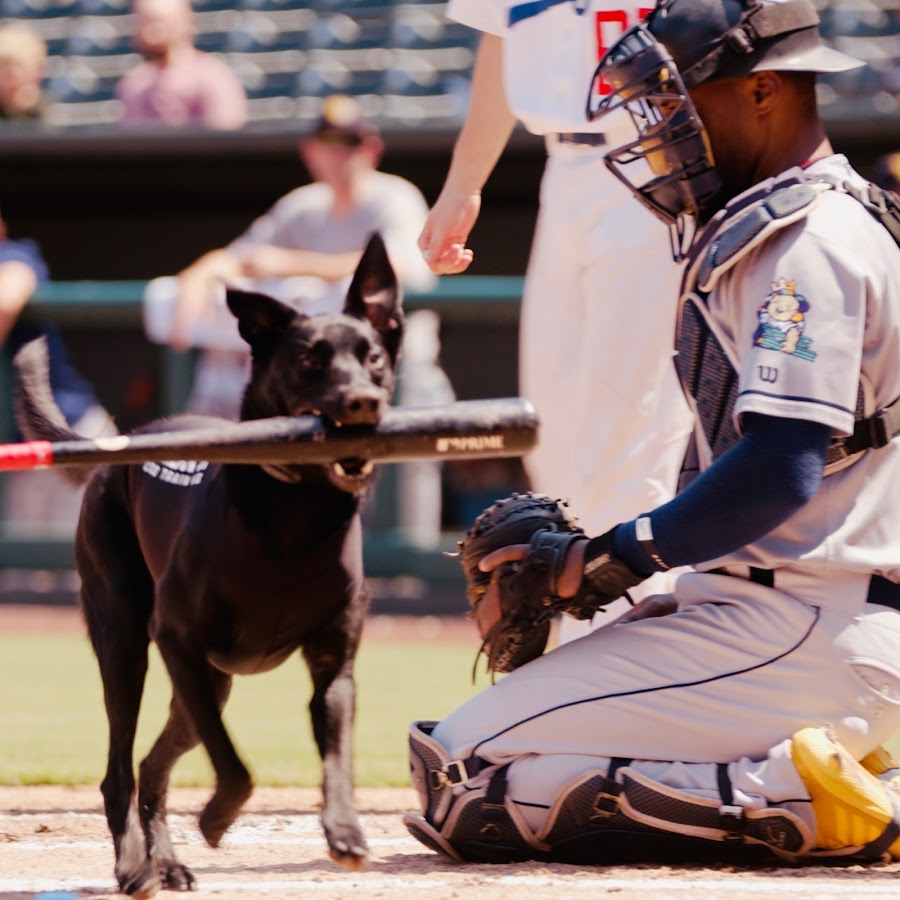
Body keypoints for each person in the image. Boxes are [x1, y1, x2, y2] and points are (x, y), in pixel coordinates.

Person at [404, 0, 900, 866]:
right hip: (774, 605)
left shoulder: (806, 242)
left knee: (467, 773)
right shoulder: (797, 217)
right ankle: (817, 761)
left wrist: (613, 555)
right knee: (481, 754)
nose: (664, 132)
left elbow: (782, 467)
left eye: (680, 104)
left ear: (762, 92)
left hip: (813, 620)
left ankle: (799, 795)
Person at [418, 0, 695, 642]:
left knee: (632, 431)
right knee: (552, 429)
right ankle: (579, 637)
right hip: (565, 166)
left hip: (660, 158)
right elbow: (501, 37)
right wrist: (464, 186)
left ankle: (633, 646)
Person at [143, 94, 437, 418]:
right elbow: (239, 256)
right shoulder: (304, 204)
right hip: (328, 381)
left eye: (351, 141)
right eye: (329, 141)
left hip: (394, 370)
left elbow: (398, 267)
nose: (340, 153)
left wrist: (293, 263)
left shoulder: (394, 196)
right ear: (310, 151)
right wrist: (199, 275)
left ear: (372, 149)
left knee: (412, 462)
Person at [0, 213, 116, 534]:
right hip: (17, 457)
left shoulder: (13, 255)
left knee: (80, 572)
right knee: (20, 578)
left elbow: (7, 295)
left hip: (66, 435)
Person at [116, 0, 247, 130]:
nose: (149, 34)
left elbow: (226, 142)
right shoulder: (134, 85)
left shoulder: (214, 78)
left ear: (185, 22)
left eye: (157, 22)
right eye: (142, 23)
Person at [0, 22, 51, 122]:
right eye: (3, 65)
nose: (10, 73)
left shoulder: (53, 114)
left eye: (17, 64)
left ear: (38, 70)